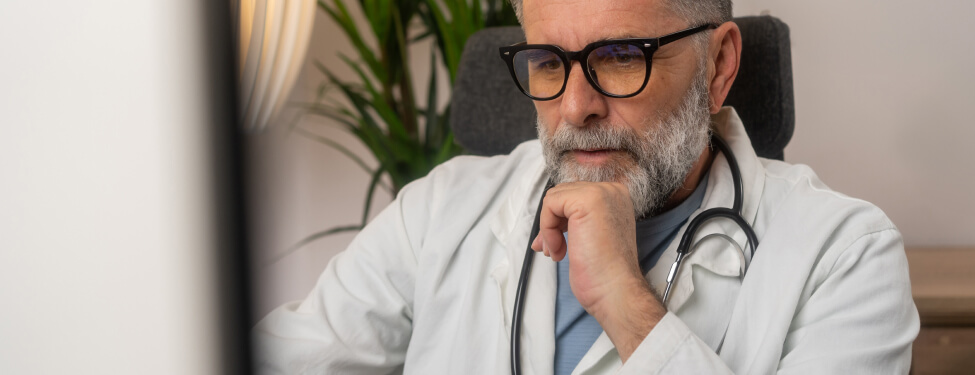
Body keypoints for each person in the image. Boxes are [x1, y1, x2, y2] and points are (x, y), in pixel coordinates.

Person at [254, 0, 920, 373]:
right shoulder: (439, 212)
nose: (576, 108)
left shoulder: (844, 256)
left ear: (717, 66)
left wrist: (625, 303)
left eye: (620, 57)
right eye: (548, 63)